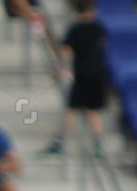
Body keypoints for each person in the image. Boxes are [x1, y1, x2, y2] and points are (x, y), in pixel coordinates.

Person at [45, 0, 108, 158]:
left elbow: (65, 52)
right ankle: (98, 145)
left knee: (71, 108)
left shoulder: (75, 29)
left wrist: (58, 69)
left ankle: (59, 143)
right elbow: (103, 45)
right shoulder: (98, 27)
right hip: (99, 74)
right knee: (93, 110)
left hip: (82, 75)